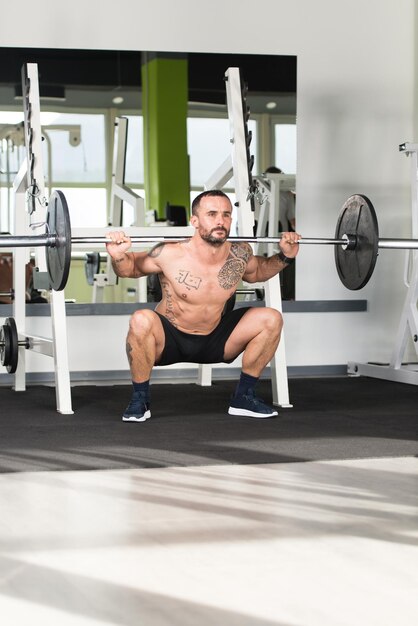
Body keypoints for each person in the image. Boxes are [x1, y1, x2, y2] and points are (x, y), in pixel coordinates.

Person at [106, 189, 300, 422]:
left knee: (271, 318)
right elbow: (131, 268)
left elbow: (258, 271)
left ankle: (243, 397)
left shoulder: (239, 253)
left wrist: (285, 257)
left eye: (227, 215)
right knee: (140, 319)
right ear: (195, 221)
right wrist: (118, 255)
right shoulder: (170, 252)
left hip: (216, 338)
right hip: (170, 339)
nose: (221, 220)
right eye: (212, 214)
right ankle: (140, 400)